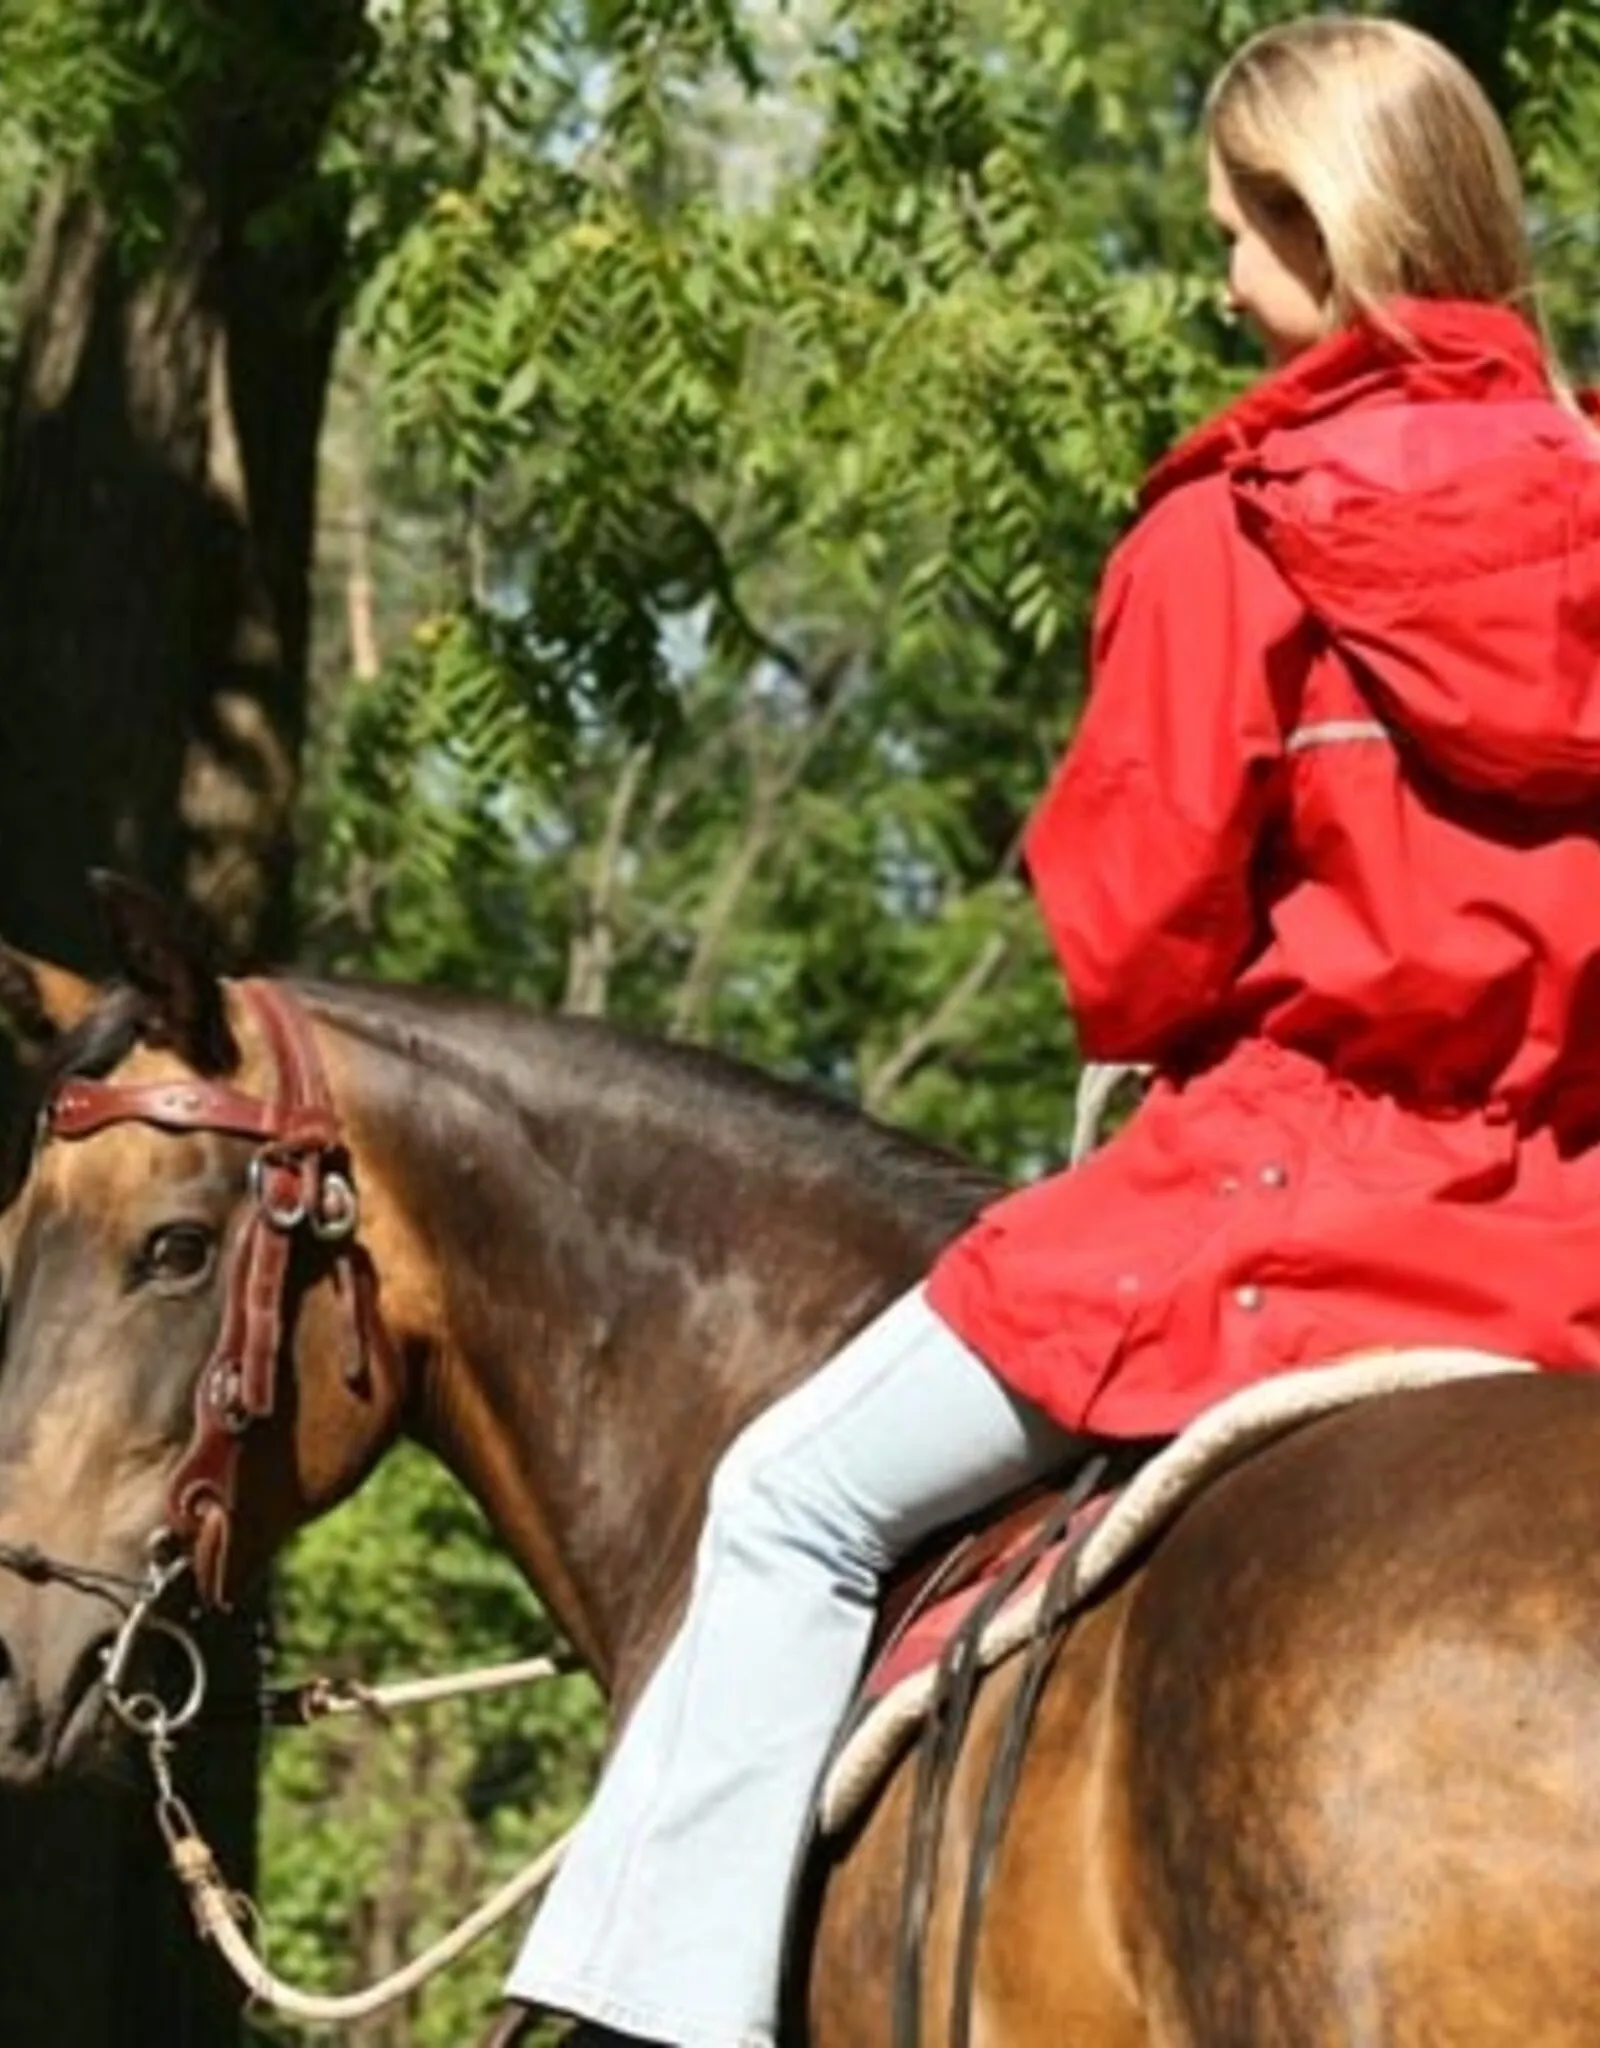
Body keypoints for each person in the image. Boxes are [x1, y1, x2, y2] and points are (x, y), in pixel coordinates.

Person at [504, 16, 1600, 2046]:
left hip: (1284, 1205)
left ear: (1318, 219)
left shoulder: (1236, 528)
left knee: (786, 1502)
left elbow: (1132, 955)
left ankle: (646, 2026)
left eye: (1237, 238)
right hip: (1572, 1235)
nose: (1218, 287)